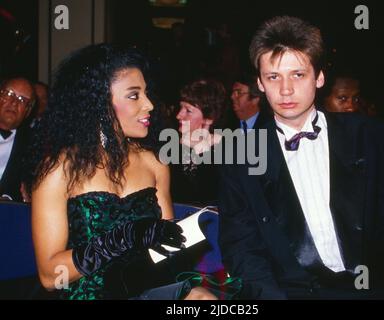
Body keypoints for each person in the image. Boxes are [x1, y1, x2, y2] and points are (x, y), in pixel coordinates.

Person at [218, 15, 384, 300]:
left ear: (319, 77)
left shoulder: (370, 136)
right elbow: (242, 248)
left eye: (298, 74)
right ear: (261, 83)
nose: (286, 89)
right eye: (274, 77)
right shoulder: (239, 155)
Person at [29, 44, 216, 300]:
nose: (149, 104)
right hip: (84, 295)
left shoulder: (154, 163)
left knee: (203, 298)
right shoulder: (58, 172)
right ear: (100, 103)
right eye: (134, 95)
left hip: (144, 289)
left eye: (146, 93)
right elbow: (51, 277)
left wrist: (187, 284)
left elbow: (167, 255)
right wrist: (124, 237)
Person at [171, 78, 226, 205]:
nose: (179, 115)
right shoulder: (170, 148)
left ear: (209, 118)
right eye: (181, 108)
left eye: (188, 111)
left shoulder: (226, 151)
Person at [0, 77, 35, 201]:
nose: (14, 102)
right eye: (10, 94)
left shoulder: (34, 144)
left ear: (27, 111)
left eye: (22, 100)